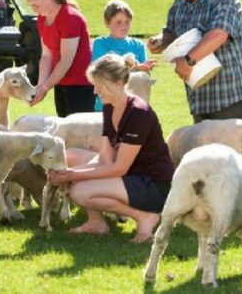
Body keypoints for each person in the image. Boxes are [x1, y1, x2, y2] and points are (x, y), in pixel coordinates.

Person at [48, 53, 174, 243]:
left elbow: (119, 168)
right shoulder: (110, 106)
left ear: (117, 84)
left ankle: (144, 217)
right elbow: (104, 159)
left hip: (152, 185)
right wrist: (67, 171)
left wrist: (72, 176)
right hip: (128, 174)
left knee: (80, 192)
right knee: (69, 157)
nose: (95, 92)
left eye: (99, 87)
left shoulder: (139, 113)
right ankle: (96, 223)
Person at [147, 0, 242, 124]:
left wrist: (188, 60)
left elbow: (218, 35)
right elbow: (171, 31)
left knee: (233, 151)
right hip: (199, 97)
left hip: (229, 95)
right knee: (204, 152)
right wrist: (161, 40)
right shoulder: (180, 3)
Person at [24, 0, 94, 117]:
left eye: (36, 5)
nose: (34, 10)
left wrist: (45, 88)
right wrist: (40, 86)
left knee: (79, 134)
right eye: (31, 6)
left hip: (81, 85)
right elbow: (46, 55)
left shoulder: (70, 17)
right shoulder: (42, 18)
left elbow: (66, 60)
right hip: (60, 83)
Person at [91, 0, 156, 111]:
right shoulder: (100, 43)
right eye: (119, 22)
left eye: (127, 22)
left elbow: (142, 77)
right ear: (107, 23)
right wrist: (134, 66)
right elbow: (103, 72)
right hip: (106, 106)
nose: (124, 26)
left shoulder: (138, 45)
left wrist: (146, 70)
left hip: (133, 106)